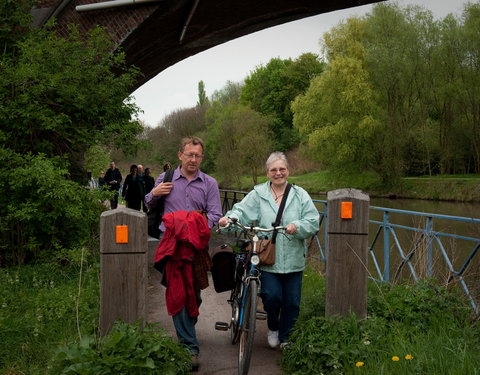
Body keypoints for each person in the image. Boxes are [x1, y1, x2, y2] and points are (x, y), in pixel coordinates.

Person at [219, 151, 319, 349]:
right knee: (271, 296)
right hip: (267, 258)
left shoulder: (300, 195)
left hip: (293, 258)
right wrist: (229, 219)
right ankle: (273, 327)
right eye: (274, 170)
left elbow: (313, 221)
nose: (278, 173)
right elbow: (241, 211)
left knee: (291, 302)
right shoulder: (258, 194)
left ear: (288, 171)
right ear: (268, 173)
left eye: (282, 169)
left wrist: (297, 226)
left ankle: (286, 337)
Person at [145, 137, 222, 371]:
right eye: (189, 154)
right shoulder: (165, 178)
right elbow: (149, 203)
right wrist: (155, 193)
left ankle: (187, 327)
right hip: (171, 245)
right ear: (180, 155)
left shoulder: (209, 183)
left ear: (202, 158)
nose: (193, 159)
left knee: (195, 294)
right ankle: (189, 347)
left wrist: (192, 228)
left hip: (196, 246)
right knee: (178, 291)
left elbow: (215, 215)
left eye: (197, 155)